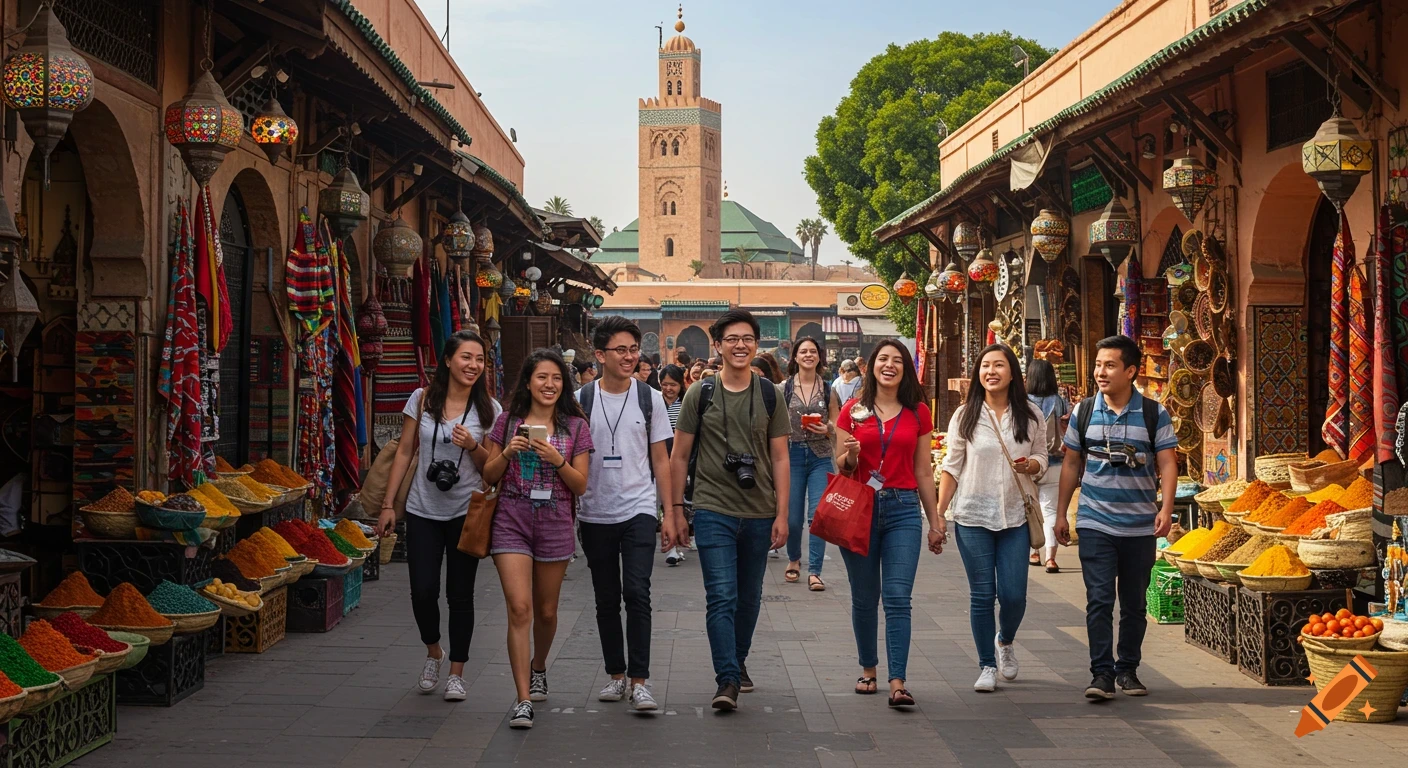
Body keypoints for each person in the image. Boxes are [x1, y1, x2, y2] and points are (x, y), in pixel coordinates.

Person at [670, 309, 790, 712]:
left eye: (748, 339)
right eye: (732, 339)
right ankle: (727, 679)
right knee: (721, 596)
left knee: (749, 597)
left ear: (757, 344)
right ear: (717, 346)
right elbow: (679, 455)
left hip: (759, 511)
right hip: (712, 509)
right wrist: (674, 511)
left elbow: (780, 459)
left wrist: (782, 514)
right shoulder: (698, 393)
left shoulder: (770, 394)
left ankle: (736, 661)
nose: (741, 345)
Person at [378, 330, 501, 702]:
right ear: (448, 360)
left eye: (479, 359)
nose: (473, 365)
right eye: (466, 357)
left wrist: (473, 445)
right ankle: (434, 651)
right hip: (422, 509)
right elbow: (403, 452)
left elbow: (492, 468)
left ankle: (457, 672)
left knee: (460, 594)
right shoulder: (421, 399)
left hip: (466, 512)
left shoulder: (489, 409)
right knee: (422, 590)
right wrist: (387, 505)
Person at [1056, 335, 1177, 701]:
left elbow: (1168, 462)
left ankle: (1128, 669)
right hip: (1095, 521)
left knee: (1135, 603)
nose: (1100, 373)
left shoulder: (1155, 413)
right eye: (1097, 365)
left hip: (1140, 523)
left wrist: (1166, 510)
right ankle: (1101, 674)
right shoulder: (1084, 411)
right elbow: (1071, 463)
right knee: (1099, 600)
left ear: (1131, 371)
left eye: (1109, 365)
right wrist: (1061, 514)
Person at [482, 349, 594, 729]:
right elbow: (488, 476)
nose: (549, 385)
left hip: (555, 519)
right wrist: (509, 451)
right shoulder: (507, 421)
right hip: (510, 518)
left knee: (546, 612)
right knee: (520, 609)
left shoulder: (575, 427)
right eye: (542, 377)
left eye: (556, 378)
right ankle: (522, 698)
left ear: (563, 385)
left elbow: (580, 485)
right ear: (528, 382)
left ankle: (539, 665)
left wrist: (556, 459)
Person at [576, 317, 677, 712]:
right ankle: (615, 676)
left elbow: (661, 459)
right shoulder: (580, 398)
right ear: (600, 355)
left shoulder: (649, 397)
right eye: (621, 350)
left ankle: (640, 680)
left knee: (637, 592)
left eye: (634, 349)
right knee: (605, 598)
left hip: (638, 507)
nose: (630, 357)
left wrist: (669, 513)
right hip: (594, 511)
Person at [834, 339, 939, 707]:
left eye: (897, 360)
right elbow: (841, 468)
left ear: (905, 369)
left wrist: (936, 520)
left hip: (903, 509)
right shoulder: (852, 410)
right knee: (865, 597)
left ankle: (898, 681)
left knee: (897, 597)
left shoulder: (918, 413)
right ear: (871, 366)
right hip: (859, 508)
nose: (889, 365)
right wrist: (850, 455)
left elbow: (924, 470)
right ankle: (869, 670)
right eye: (883, 359)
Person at [937, 344, 1046, 693]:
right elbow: (951, 467)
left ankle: (1005, 641)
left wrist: (1033, 465)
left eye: (999, 365)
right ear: (978, 374)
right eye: (985, 365)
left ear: (1013, 373)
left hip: (1015, 515)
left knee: (1014, 595)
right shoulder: (965, 415)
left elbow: (1043, 456)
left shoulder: (1030, 414)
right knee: (982, 595)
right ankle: (986, 664)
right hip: (972, 515)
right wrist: (938, 515)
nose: (991, 371)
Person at [782, 337, 838, 591]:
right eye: (803, 351)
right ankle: (794, 559)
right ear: (795, 357)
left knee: (818, 516)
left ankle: (815, 571)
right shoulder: (783, 388)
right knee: (793, 518)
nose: (808, 355)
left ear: (819, 357)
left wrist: (826, 427)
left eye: (812, 351)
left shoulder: (828, 389)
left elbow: (837, 425)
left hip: (820, 455)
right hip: (791, 454)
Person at [1026, 359, 1068, 573]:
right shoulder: (1059, 402)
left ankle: (1034, 553)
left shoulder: (1022, 402)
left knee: (1030, 510)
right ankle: (1051, 558)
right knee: (1051, 510)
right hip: (1055, 462)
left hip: (1028, 464)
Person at [658, 364, 692, 565]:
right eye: (664, 384)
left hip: (681, 460)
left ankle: (679, 543)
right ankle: (670, 547)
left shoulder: (687, 403)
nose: (668, 389)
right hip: (660, 459)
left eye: (673, 385)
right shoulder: (654, 402)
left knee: (679, 503)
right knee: (665, 504)